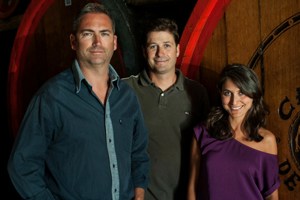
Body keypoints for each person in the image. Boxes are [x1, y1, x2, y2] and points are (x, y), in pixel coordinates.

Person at [7, 3, 149, 200]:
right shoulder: (52, 97)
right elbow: (22, 165)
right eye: (88, 34)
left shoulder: (126, 96)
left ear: (114, 42)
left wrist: (139, 192)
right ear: (74, 41)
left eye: (105, 33)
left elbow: (138, 152)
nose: (97, 42)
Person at [123, 18, 210, 200]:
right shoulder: (126, 90)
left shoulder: (196, 93)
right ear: (144, 51)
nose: (160, 53)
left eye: (167, 45)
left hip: (184, 195)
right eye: (153, 46)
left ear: (178, 50)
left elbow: (207, 150)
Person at [188, 64, 280, 200]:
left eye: (241, 93)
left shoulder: (266, 140)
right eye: (227, 93)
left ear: (253, 94)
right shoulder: (203, 132)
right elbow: (192, 189)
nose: (234, 101)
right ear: (220, 94)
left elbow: (272, 195)